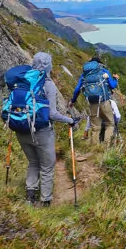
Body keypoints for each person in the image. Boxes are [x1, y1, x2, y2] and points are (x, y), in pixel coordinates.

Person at [16, 52, 78, 208]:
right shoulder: (48, 85)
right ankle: (45, 201)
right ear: (48, 66)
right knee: (47, 165)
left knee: (33, 162)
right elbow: (52, 113)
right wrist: (70, 120)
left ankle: (30, 196)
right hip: (42, 131)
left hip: (21, 129)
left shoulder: (23, 80)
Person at [70, 55, 119, 144]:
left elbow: (77, 89)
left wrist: (73, 101)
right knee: (110, 124)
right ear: (99, 64)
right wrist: (116, 79)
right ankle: (106, 148)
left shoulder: (84, 75)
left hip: (92, 103)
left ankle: (95, 149)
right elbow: (112, 85)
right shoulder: (103, 71)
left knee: (95, 128)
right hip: (104, 102)